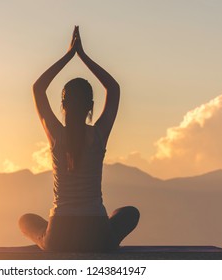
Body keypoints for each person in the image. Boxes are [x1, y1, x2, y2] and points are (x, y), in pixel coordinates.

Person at [19, 26, 140, 252]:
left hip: (59, 235)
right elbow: (113, 89)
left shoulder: (57, 134)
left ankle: (46, 239)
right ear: (91, 107)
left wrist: (68, 55)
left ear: (63, 106)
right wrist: (83, 56)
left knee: (25, 220)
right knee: (129, 213)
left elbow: (38, 88)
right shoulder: (98, 134)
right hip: (97, 234)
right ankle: (108, 239)